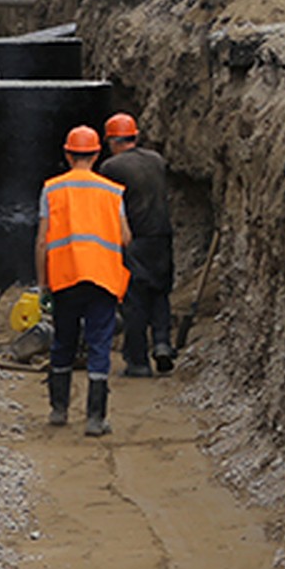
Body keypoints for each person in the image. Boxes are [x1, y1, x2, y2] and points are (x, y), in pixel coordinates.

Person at [35, 125, 131, 437]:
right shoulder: (112, 192)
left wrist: (43, 285)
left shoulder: (52, 189)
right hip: (102, 279)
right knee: (99, 344)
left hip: (64, 278)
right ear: (96, 154)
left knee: (63, 341)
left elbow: (41, 242)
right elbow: (126, 238)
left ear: (67, 154)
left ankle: (59, 410)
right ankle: (95, 418)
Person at [99, 112, 175, 378]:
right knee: (160, 292)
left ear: (113, 140)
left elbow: (108, 207)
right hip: (163, 237)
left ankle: (138, 361)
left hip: (135, 240)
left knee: (134, 300)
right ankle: (163, 342)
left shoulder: (112, 168)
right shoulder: (156, 160)